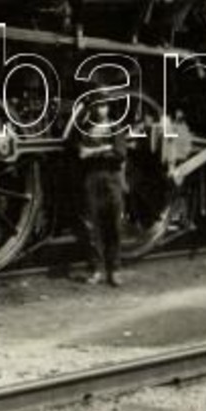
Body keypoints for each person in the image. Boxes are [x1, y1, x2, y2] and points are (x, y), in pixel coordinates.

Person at [72, 96, 129, 287]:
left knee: (114, 226)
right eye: (97, 106)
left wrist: (93, 151)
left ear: (108, 108)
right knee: (91, 227)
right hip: (92, 179)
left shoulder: (116, 128)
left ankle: (115, 270)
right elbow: (80, 153)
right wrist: (106, 148)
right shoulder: (84, 129)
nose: (100, 110)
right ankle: (96, 269)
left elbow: (120, 154)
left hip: (111, 178)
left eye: (103, 106)